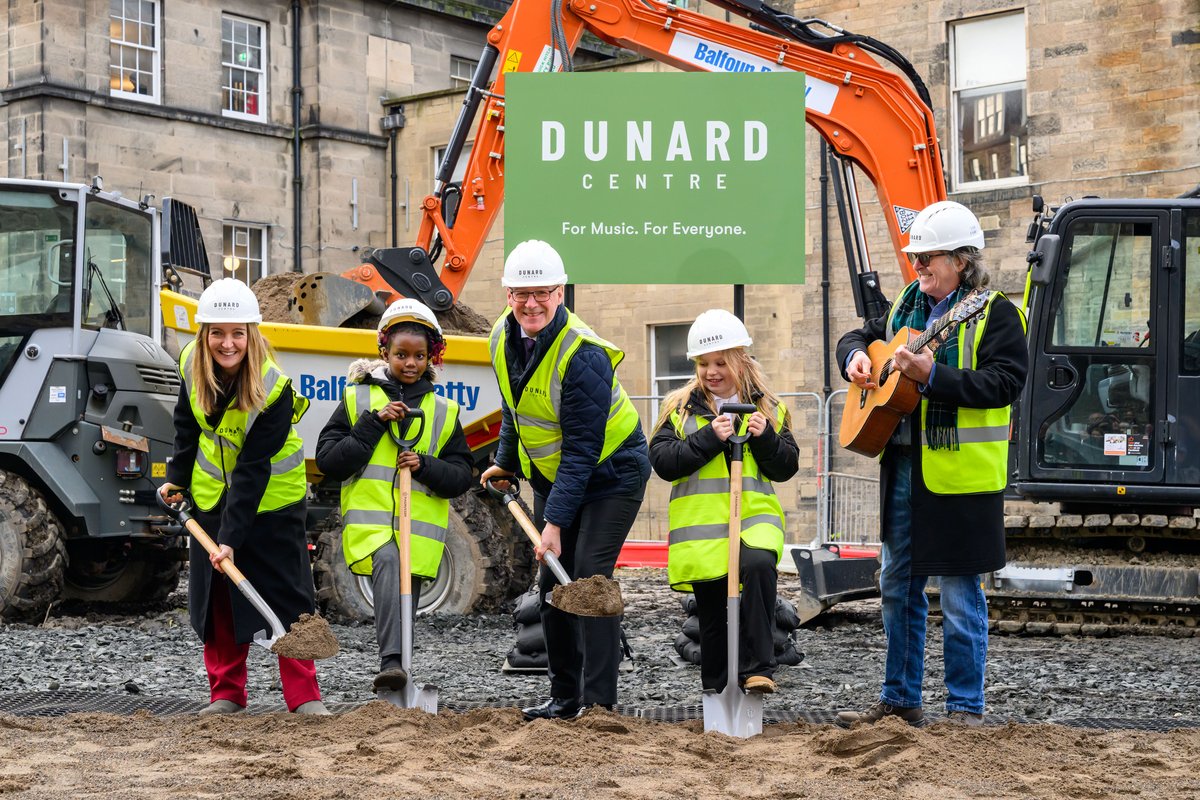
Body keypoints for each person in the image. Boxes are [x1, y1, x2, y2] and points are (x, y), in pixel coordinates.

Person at [834, 201, 1028, 728]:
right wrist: (852, 357)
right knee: (897, 584)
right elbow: (860, 335)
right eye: (916, 259)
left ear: (961, 261)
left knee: (962, 595)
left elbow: (1005, 383)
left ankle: (965, 709)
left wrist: (932, 376)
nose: (918, 268)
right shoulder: (905, 306)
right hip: (903, 468)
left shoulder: (995, 314)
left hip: (961, 479)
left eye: (928, 259)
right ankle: (900, 699)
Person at [480, 239, 650, 721]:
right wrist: (506, 460)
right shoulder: (500, 337)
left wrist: (553, 523)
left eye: (543, 293)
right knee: (553, 585)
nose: (531, 303)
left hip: (612, 472)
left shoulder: (584, 354)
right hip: (558, 476)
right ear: (507, 294)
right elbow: (514, 407)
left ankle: (599, 704)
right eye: (520, 294)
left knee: (590, 580)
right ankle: (564, 698)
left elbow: (581, 451)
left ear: (560, 293)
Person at [159, 278, 329, 715]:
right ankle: (227, 694)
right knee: (217, 600)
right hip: (212, 496)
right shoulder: (190, 362)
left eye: (237, 333)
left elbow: (253, 469)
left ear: (251, 335)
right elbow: (186, 425)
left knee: (286, 596)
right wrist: (177, 479)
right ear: (204, 334)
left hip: (273, 501)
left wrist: (231, 539)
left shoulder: (274, 388)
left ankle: (304, 697)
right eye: (217, 332)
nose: (227, 343)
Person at [315, 298, 474, 692]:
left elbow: (460, 477)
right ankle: (391, 664)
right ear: (384, 352)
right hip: (371, 528)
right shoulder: (358, 401)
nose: (410, 363)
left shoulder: (443, 411)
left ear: (431, 357)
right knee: (388, 561)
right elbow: (330, 462)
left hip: (417, 534)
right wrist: (372, 424)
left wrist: (425, 465)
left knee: (406, 601)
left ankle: (399, 673)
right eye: (401, 354)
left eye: (419, 355)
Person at [648, 310, 799, 696]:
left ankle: (759, 669)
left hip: (754, 518)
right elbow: (663, 462)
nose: (711, 372)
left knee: (761, 565)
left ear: (740, 361)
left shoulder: (770, 410)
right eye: (703, 364)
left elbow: (786, 467)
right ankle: (716, 690)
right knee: (713, 614)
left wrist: (765, 438)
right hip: (702, 530)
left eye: (720, 363)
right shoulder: (680, 409)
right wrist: (709, 439)